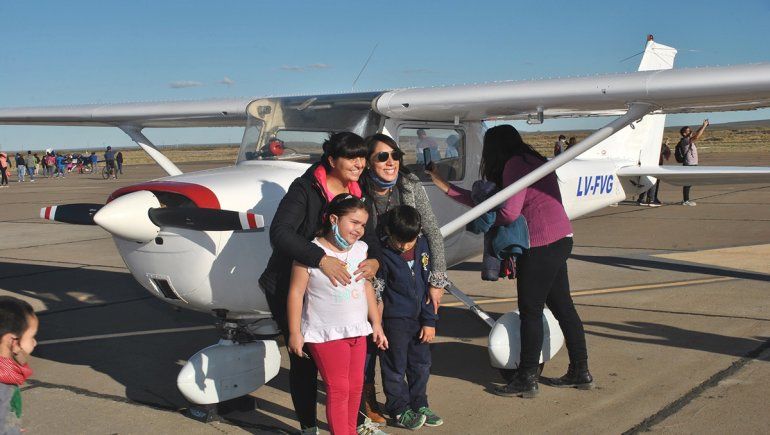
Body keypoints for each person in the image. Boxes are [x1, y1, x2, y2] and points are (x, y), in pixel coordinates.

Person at [428, 125, 593, 398]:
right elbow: (492, 203)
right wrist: (444, 185)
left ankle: (527, 378)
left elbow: (507, 212)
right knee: (563, 307)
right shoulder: (532, 160)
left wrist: (487, 220)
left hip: (541, 244)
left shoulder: (515, 165)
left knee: (530, 311)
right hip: (561, 237)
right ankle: (580, 370)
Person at [259, 132, 381, 434]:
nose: (359, 163)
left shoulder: (359, 187)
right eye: (352, 157)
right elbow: (280, 232)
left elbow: (371, 232)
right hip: (296, 283)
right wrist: (320, 258)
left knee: (348, 375)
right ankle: (309, 426)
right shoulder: (305, 188)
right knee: (303, 361)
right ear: (331, 160)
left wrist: (376, 260)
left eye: (362, 156)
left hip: (339, 292)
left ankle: (354, 424)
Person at [359, 134, 449, 426]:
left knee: (417, 360)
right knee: (376, 350)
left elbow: (432, 233)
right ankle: (369, 399)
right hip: (369, 279)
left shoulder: (408, 185)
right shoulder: (357, 189)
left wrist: (437, 281)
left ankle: (416, 403)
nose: (390, 162)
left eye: (395, 155)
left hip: (405, 290)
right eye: (382, 156)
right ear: (368, 162)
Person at [287, 194, 388, 435]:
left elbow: (366, 287)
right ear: (334, 219)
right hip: (326, 332)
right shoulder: (311, 252)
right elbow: (295, 292)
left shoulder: (362, 249)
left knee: (355, 388)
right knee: (339, 389)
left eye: (363, 225)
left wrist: (376, 323)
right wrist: (294, 333)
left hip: (357, 329)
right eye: (354, 222)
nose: (359, 230)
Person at [378, 206, 443, 430]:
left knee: (421, 365)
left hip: (420, 321)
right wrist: (378, 325)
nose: (404, 246)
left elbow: (427, 287)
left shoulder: (423, 247)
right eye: (399, 241)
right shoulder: (383, 254)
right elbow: (378, 292)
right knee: (395, 367)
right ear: (389, 232)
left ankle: (419, 404)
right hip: (394, 322)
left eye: (410, 240)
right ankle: (398, 408)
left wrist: (429, 321)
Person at [0, 296, 38, 434]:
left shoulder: (5, 369)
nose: (35, 343)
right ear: (13, 341)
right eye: (31, 337)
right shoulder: (2, 383)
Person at [677, 120, 708, 206]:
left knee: (689, 183)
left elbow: (696, 133)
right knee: (687, 182)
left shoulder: (689, 139)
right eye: (688, 131)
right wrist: (705, 126)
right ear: (684, 133)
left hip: (692, 164)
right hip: (689, 164)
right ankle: (685, 200)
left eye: (690, 130)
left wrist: (703, 125)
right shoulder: (685, 141)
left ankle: (686, 200)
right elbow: (697, 136)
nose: (690, 131)